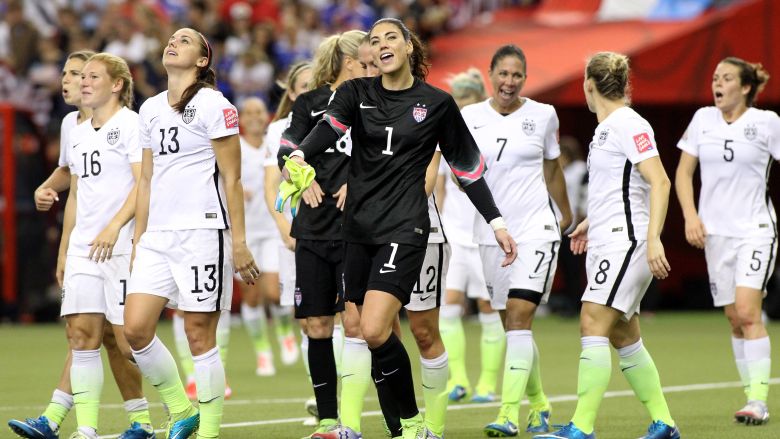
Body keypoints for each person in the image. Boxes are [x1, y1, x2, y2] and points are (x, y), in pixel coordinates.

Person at [283, 18, 517, 439]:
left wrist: (496, 221)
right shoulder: (355, 93)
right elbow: (329, 128)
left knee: (373, 328)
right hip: (356, 230)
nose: (382, 44)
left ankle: (413, 424)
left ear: (409, 47)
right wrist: (299, 155)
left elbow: (467, 168)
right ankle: (406, 426)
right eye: (375, 40)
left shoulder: (438, 103)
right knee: (373, 335)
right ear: (369, 54)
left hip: (405, 228)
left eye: (392, 37)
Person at [9, 50, 154, 439]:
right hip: (85, 248)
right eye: (67, 74)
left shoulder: (125, 124)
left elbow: (142, 183)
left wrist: (126, 230)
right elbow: (73, 180)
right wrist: (62, 243)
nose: (69, 81)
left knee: (124, 341)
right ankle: (79, 424)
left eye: (79, 74)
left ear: (107, 81)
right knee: (86, 334)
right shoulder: (72, 126)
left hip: (121, 244)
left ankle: (172, 408)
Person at [123, 28, 258, 439]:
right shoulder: (148, 109)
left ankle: (209, 431)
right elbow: (145, 179)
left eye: (185, 40)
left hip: (202, 231)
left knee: (199, 333)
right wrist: (138, 237)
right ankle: (182, 409)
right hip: (157, 236)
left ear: (202, 60)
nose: (173, 42)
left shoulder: (214, 105)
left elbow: (232, 178)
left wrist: (238, 241)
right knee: (135, 330)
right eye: (171, 38)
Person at [536, 52, 678, 439]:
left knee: (591, 321)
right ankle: (664, 423)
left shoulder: (628, 124)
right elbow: (620, 190)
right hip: (609, 236)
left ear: (588, 84)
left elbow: (660, 182)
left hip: (626, 243)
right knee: (623, 334)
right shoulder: (606, 128)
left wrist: (653, 241)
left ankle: (581, 426)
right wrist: (590, 221)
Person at [453, 45, 571, 437]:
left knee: (520, 319)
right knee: (512, 326)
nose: (509, 82)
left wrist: (566, 212)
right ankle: (539, 405)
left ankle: (508, 413)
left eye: (517, 75)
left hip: (536, 229)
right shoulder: (469, 117)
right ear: (490, 74)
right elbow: (461, 172)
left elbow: (552, 167)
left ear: (525, 77)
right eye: (503, 73)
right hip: (489, 234)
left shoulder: (543, 115)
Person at [675, 56, 777, 426]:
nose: (718, 84)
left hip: (756, 230)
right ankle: (750, 395)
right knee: (734, 319)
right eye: (715, 77)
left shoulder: (767, 123)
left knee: (749, 312)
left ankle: (758, 401)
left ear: (746, 87)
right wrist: (690, 216)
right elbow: (684, 173)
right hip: (715, 234)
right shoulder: (703, 120)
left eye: (727, 78)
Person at [277, 29, 368, 438]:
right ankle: (329, 420)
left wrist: (361, 184)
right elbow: (286, 149)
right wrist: (301, 176)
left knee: (356, 324)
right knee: (317, 325)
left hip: (357, 228)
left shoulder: (373, 101)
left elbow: (388, 155)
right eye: (364, 57)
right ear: (348, 60)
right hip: (312, 228)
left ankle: (351, 419)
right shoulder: (310, 103)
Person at [437, 68, 506, 407]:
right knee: (448, 306)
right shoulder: (443, 133)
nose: (461, 109)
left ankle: (487, 384)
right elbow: (437, 187)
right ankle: (458, 379)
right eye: (457, 102)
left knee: (487, 306)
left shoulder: (488, 136)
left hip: (484, 237)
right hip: (453, 235)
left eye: (467, 101)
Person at [262, 61, 318, 424]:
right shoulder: (279, 130)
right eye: (304, 85)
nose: (311, 90)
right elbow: (271, 187)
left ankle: (346, 391)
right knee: (306, 319)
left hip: (333, 231)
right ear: (293, 92)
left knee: (343, 316)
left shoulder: (337, 120)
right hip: (295, 234)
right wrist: (285, 229)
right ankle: (321, 394)